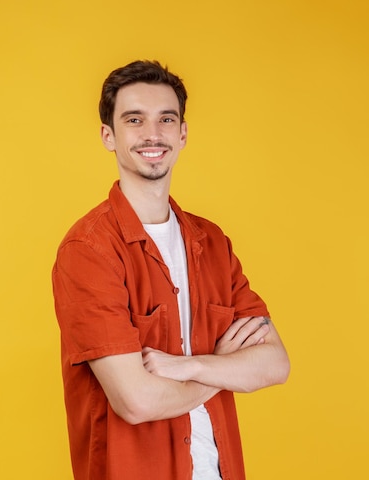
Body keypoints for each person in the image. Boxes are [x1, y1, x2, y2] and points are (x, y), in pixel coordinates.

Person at [52, 60, 290, 480]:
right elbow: (136, 401)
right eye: (134, 119)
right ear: (109, 136)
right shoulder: (88, 250)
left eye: (166, 118)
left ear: (182, 134)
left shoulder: (212, 243)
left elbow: (274, 364)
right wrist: (223, 367)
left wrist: (192, 366)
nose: (152, 134)